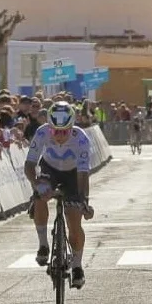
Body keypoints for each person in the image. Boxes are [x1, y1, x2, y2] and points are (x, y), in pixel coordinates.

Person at [24, 100, 95, 290]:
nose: (60, 136)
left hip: (73, 175)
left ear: (71, 127)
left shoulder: (81, 139)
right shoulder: (42, 132)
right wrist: (36, 184)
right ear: (50, 127)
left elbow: (83, 174)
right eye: (56, 131)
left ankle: (78, 266)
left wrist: (83, 200)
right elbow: (29, 165)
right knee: (41, 196)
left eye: (64, 131)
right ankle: (43, 245)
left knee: (74, 218)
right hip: (50, 170)